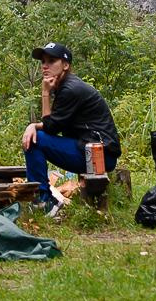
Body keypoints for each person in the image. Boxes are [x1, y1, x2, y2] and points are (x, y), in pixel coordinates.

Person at [22, 42, 119, 213]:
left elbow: (51, 128)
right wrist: (34, 125)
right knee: (37, 135)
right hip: (93, 150)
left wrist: (44, 94)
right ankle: (43, 200)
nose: (45, 66)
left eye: (51, 61)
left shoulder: (70, 89)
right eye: (43, 61)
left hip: (99, 155)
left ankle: (43, 203)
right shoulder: (66, 86)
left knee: (36, 140)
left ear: (65, 65)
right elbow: (56, 124)